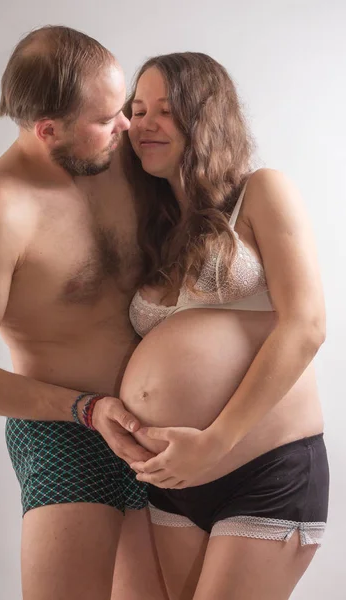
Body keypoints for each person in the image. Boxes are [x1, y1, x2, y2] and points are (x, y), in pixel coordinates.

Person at [115, 53, 329, 600]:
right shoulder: (154, 227)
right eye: (136, 110)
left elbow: (306, 325)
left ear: (206, 117)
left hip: (261, 467)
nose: (144, 123)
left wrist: (214, 443)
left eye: (165, 110)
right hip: (172, 482)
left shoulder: (262, 191)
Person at [0, 26, 167, 600]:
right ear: (47, 130)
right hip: (64, 428)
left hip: (160, 426)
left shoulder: (122, 157)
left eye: (123, 107)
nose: (128, 127)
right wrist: (87, 409)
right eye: (107, 119)